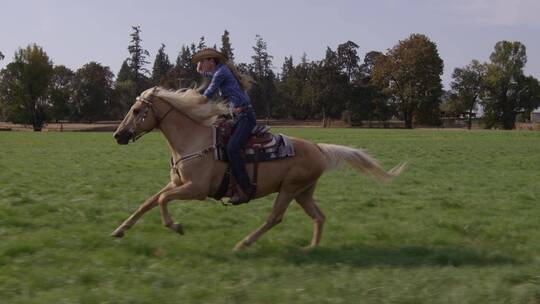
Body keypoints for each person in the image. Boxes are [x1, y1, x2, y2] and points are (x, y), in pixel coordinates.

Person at [192, 48, 256, 205]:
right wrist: (202, 71)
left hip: (245, 116)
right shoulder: (219, 71)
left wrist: (189, 104)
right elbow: (210, 76)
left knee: (232, 148)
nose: (200, 64)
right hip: (237, 115)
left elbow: (209, 93)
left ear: (211, 61)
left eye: (202, 61)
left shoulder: (221, 73)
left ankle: (246, 189)